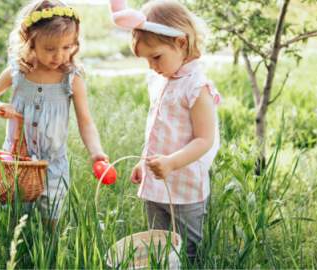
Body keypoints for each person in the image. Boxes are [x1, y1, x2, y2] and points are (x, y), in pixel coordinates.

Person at [0, 0, 108, 227]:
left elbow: (85, 122)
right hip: (15, 161)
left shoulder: (72, 79)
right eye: (50, 49)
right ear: (30, 42)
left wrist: (96, 152)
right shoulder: (18, 73)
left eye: (67, 47)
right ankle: (16, 256)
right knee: (14, 217)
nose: (59, 56)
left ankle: (49, 255)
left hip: (53, 165)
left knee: (52, 220)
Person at [110, 0, 221, 264]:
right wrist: (142, 160)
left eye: (156, 57)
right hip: (157, 183)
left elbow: (204, 139)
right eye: (146, 59)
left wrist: (171, 163)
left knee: (187, 251)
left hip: (184, 187)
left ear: (181, 42)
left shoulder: (196, 86)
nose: (151, 65)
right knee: (157, 244)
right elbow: (157, 128)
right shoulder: (161, 80)